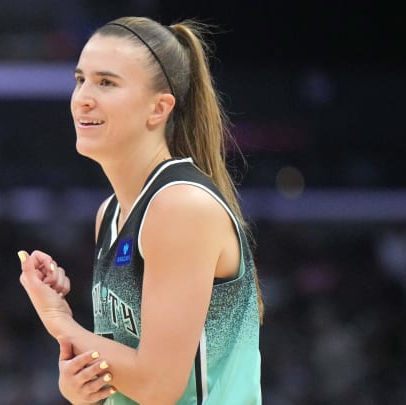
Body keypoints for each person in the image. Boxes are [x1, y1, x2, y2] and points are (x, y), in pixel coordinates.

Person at [17, 16, 263, 405]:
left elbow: (157, 385)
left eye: (106, 82)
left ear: (158, 108)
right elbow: (131, 379)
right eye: (80, 79)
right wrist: (83, 386)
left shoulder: (180, 206)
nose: (82, 96)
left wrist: (59, 321)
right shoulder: (111, 213)